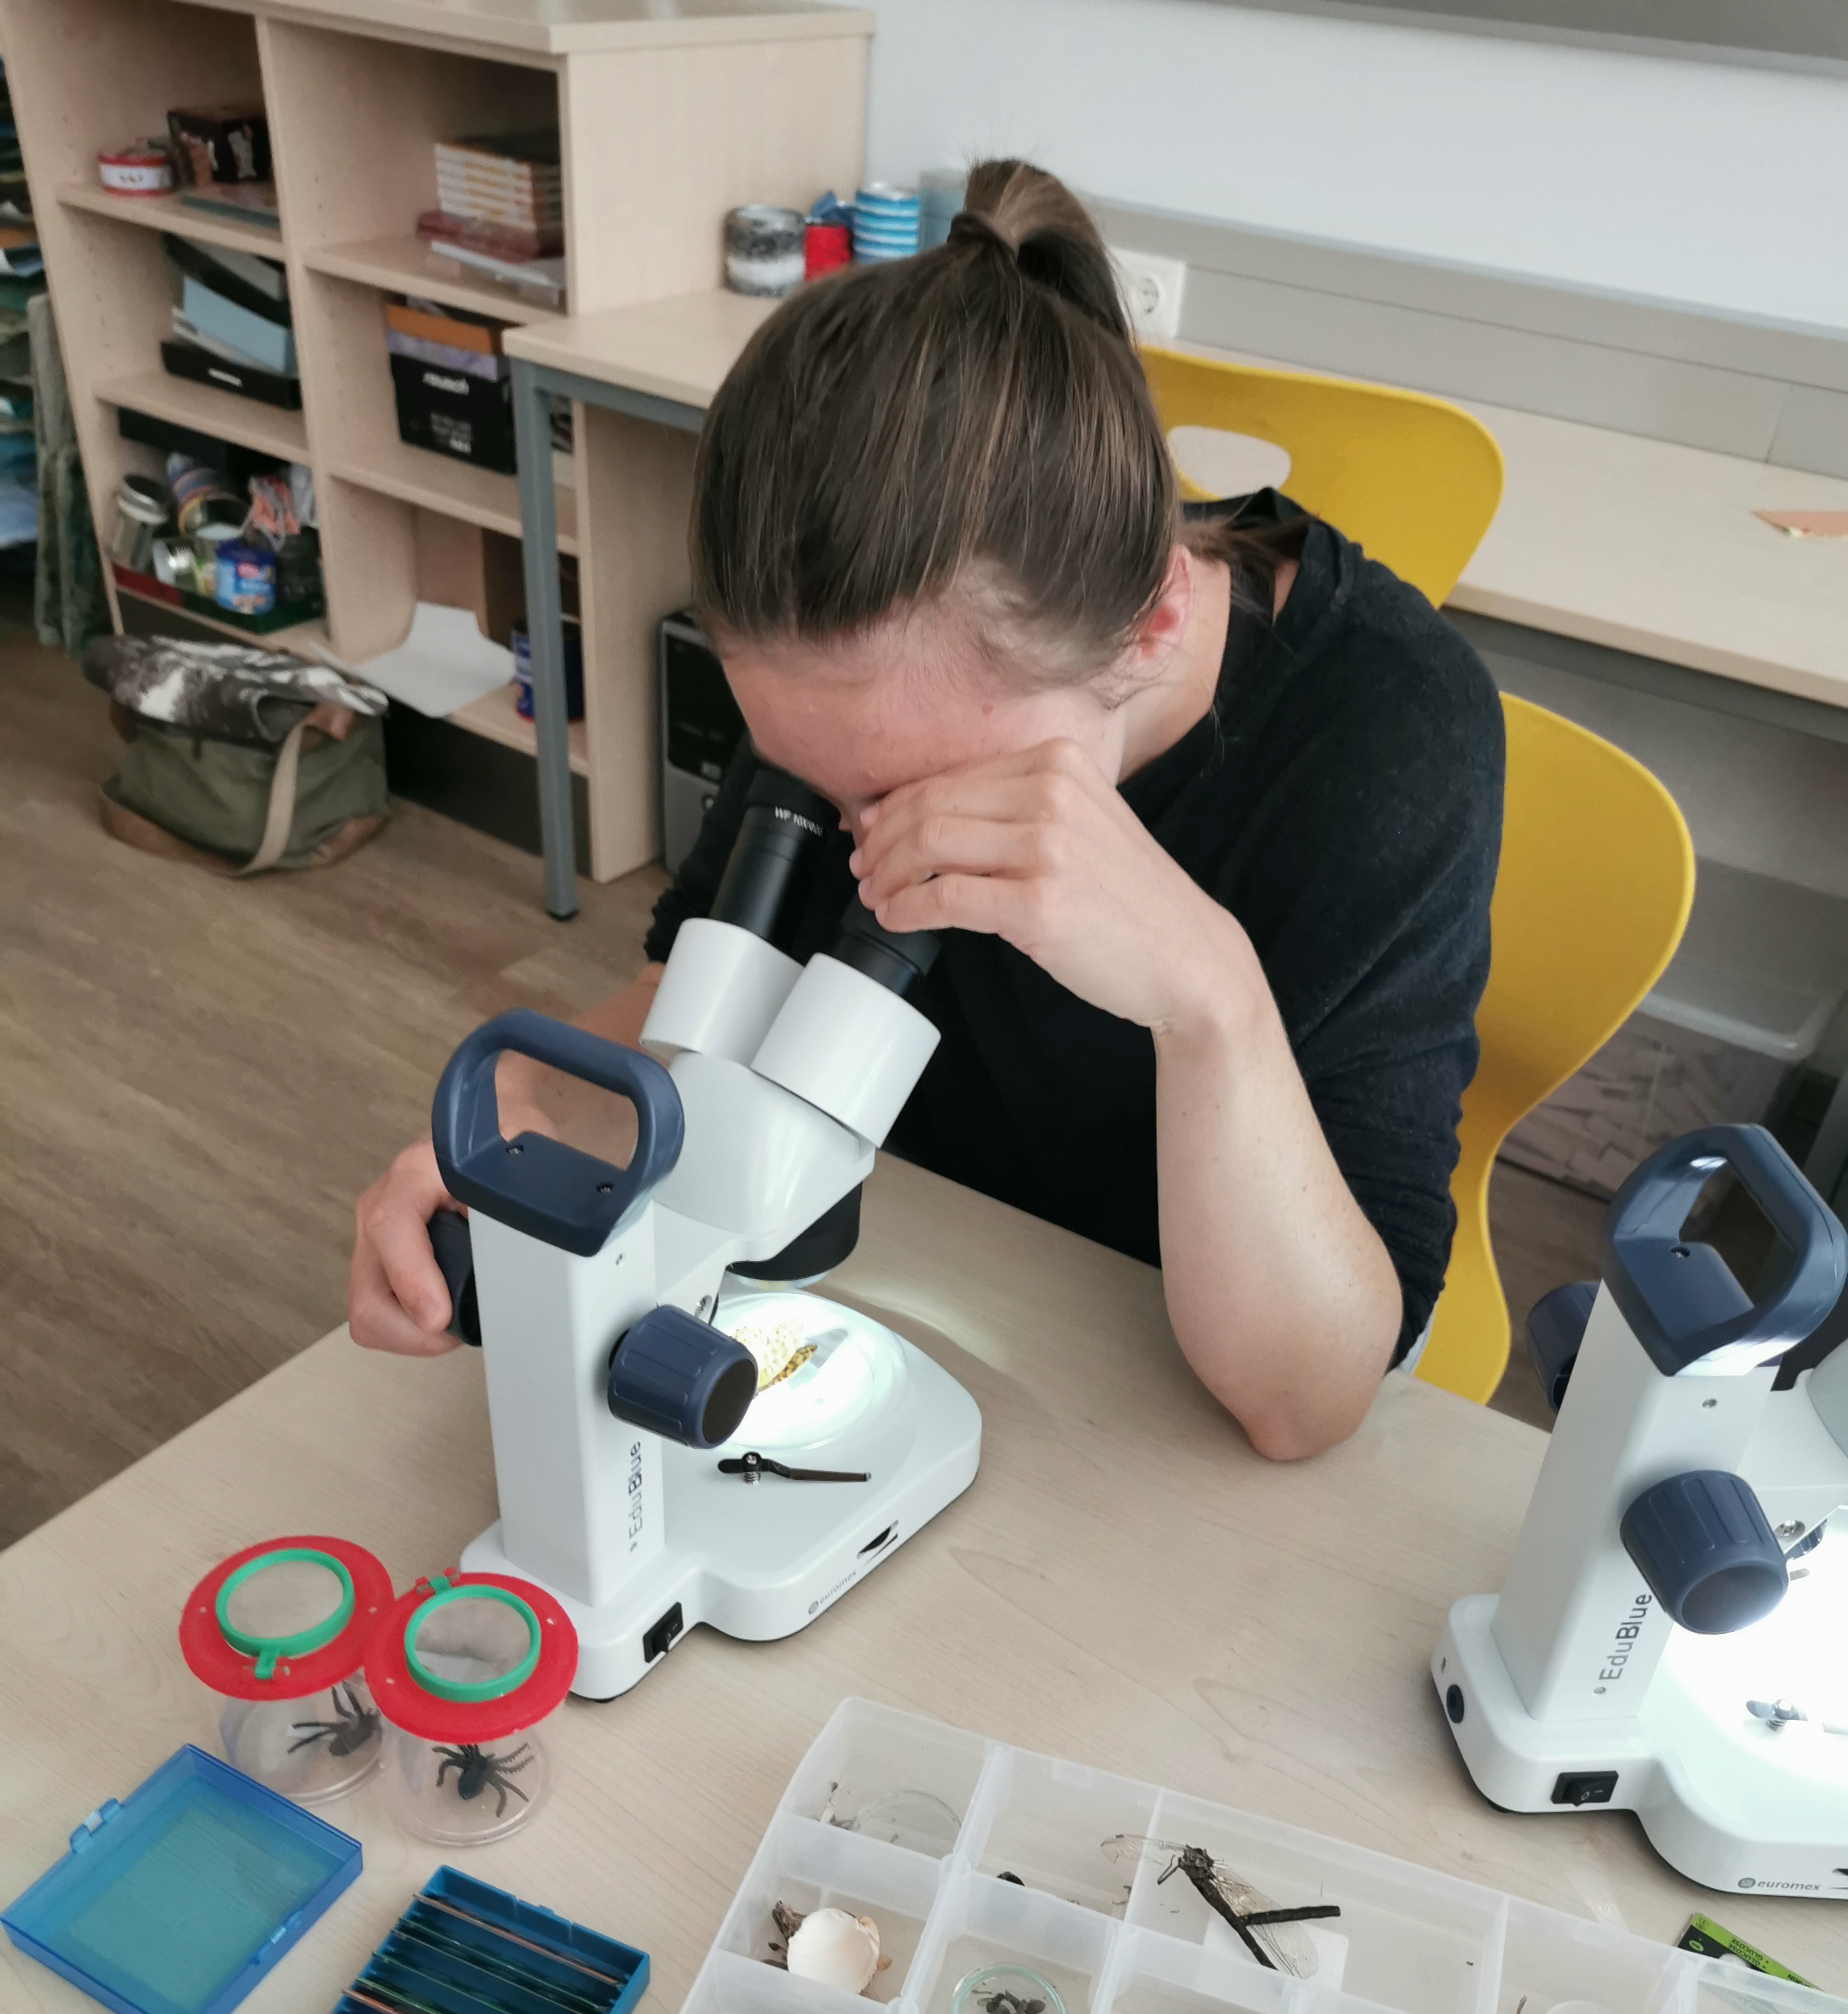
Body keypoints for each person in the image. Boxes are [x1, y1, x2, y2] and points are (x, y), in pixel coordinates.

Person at [349, 160, 1503, 1461]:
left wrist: (1208, 1000)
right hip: (892, 1285)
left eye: (914, 794)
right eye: (818, 780)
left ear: (1154, 622)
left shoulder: (1389, 735)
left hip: (1153, 1401)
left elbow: (1304, 1404)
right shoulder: (848, 662)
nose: (866, 843)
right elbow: (700, 997)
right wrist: (527, 1108)